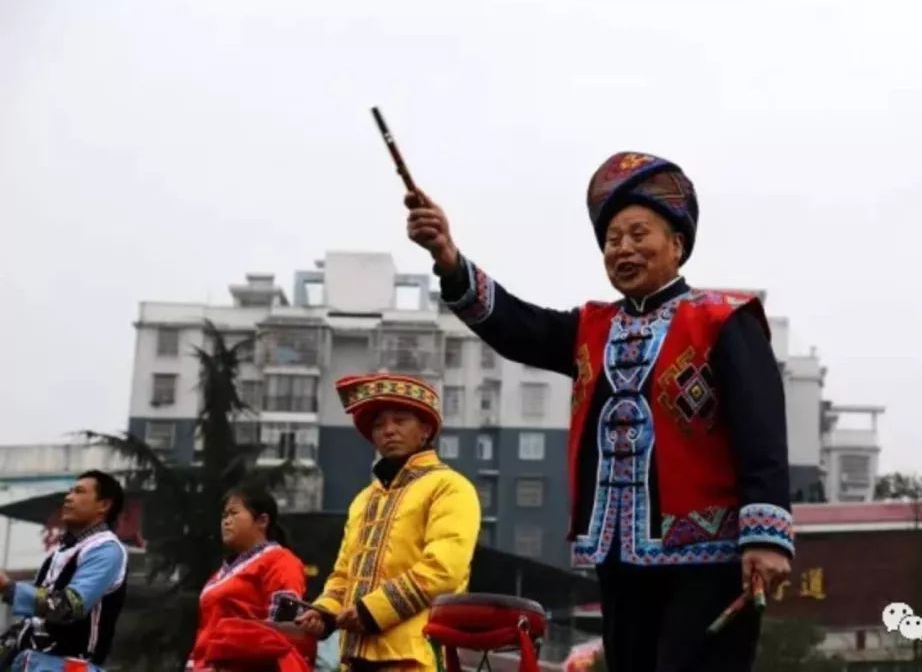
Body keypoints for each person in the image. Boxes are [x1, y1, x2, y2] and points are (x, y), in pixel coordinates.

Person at [404, 152, 795, 672]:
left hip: (710, 557)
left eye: (639, 234)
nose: (624, 248)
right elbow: (516, 326)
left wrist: (767, 538)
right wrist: (449, 258)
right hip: (618, 555)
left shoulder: (724, 319)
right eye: (613, 239)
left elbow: (761, 430)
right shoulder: (591, 327)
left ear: (677, 244)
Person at [295, 373, 481, 672]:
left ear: (426, 429)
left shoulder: (450, 487)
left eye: (400, 420)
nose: (388, 431)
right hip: (353, 659)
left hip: (417, 655)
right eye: (379, 425)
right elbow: (343, 574)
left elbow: (443, 570)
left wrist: (371, 611)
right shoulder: (364, 499)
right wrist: (325, 612)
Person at [0, 470, 128, 672]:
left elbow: (69, 607)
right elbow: (34, 623)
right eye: (69, 492)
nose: (68, 497)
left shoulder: (106, 549)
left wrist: (8, 587)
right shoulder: (60, 554)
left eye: (79, 491)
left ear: (104, 505)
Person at [186, 483, 315, 672]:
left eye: (234, 513)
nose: (226, 521)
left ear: (262, 520)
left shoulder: (280, 561)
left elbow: (283, 631)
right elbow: (205, 633)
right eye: (224, 516)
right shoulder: (221, 573)